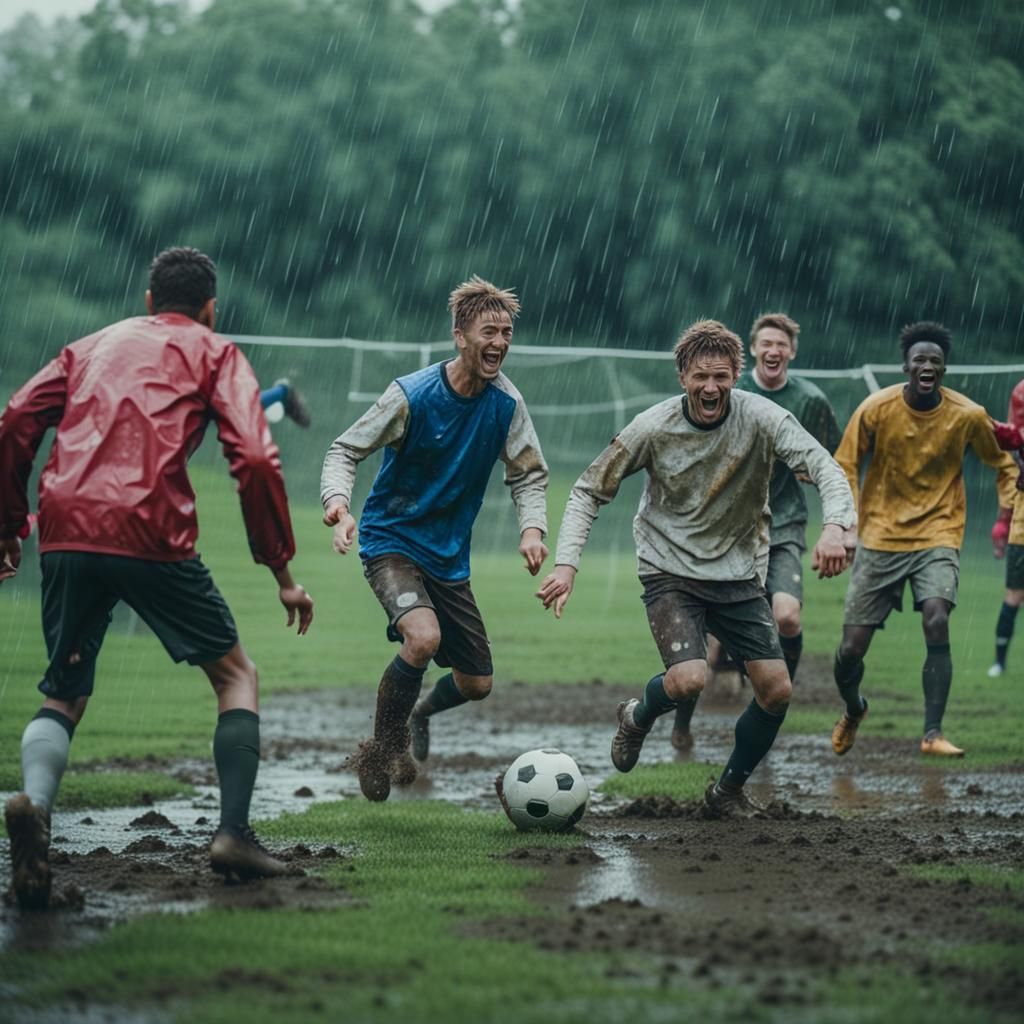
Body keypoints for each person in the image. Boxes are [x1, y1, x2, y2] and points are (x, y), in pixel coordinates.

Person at [0, 247, 314, 910]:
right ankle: (233, 835)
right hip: (149, 530)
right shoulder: (213, 350)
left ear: (147, 300)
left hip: (66, 527)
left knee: (63, 691)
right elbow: (256, 456)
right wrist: (281, 567)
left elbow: (16, 421)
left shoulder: (89, 347)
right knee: (235, 675)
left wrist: (8, 530)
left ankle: (34, 807)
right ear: (210, 309)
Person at [536, 320, 855, 818]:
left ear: (736, 375)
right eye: (701, 376)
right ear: (682, 374)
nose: (712, 388)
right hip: (669, 570)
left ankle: (726, 792)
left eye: (722, 377)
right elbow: (587, 490)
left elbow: (825, 467)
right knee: (688, 680)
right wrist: (566, 564)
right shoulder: (653, 426)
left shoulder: (763, 416)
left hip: (738, 573)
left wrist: (836, 527)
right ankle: (637, 716)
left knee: (776, 690)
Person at [321, 276, 548, 802]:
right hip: (391, 539)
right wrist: (338, 505)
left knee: (477, 684)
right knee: (422, 638)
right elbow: (343, 450)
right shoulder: (412, 394)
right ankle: (382, 749)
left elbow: (529, 473)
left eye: (507, 332)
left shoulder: (507, 405)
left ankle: (419, 710)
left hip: (448, 558)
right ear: (459, 336)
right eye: (488, 331)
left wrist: (532, 530)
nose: (500, 343)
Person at [829, 321, 1017, 759]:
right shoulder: (876, 408)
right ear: (906, 367)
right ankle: (854, 709)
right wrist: (846, 524)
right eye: (920, 360)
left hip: (939, 533)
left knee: (936, 617)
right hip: (880, 537)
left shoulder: (968, 415)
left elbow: (1003, 462)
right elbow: (845, 463)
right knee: (851, 648)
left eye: (935, 360)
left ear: (944, 369)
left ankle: (932, 733)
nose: (927, 366)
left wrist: (1005, 515)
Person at [670, 312, 842, 750]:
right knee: (704, 635)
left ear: (791, 352)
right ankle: (682, 724)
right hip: (729, 528)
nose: (774, 350)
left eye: (781, 344)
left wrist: (840, 526)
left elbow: (832, 461)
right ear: (753, 351)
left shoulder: (812, 400)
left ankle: (772, 700)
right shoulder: (730, 392)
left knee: (786, 614)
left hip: (783, 522)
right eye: (766, 343)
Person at [988, 378, 1024, 677]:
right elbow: (1008, 482)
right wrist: (1002, 521)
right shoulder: (1009, 456)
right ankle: (999, 662)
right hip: (1021, 529)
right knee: (1014, 595)